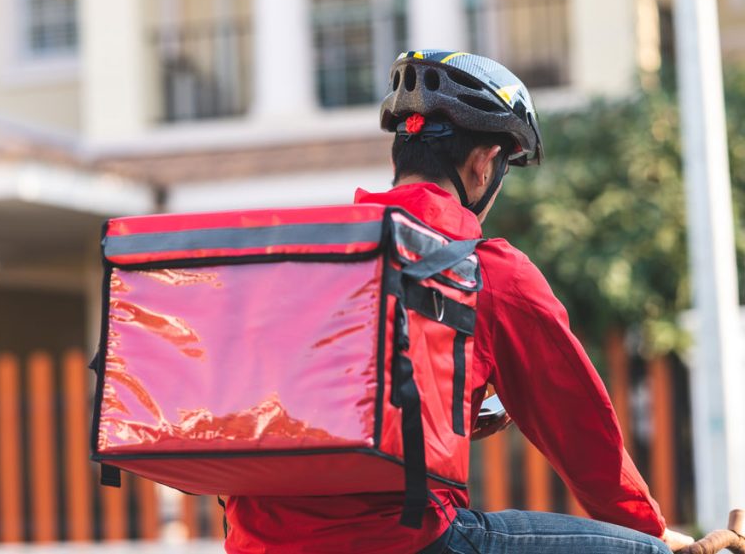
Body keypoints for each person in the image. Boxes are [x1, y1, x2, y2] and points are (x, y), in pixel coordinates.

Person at [222, 50, 695, 554]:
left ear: (396, 160)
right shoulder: (487, 272)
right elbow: (580, 429)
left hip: (260, 542)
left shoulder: (307, 262)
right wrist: (651, 531)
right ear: (483, 163)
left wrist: (457, 415)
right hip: (407, 539)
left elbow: (317, 404)